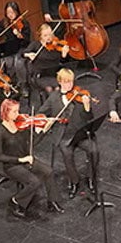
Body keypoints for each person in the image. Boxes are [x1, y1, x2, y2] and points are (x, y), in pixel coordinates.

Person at [0, 99, 63, 219]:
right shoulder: (1, 133)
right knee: (34, 182)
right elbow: (0, 156)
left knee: (48, 171)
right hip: (12, 165)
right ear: (5, 112)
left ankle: (52, 201)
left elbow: (31, 144)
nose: (18, 114)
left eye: (18, 111)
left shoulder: (20, 126)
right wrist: (21, 160)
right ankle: (16, 201)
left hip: (26, 159)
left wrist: (43, 131)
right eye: (14, 112)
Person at [37, 68, 96, 199]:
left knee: (93, 150)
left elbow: (89, 117)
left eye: (70, 82)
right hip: (63, 134)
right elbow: (41, 112)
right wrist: (47, 119)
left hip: (79, 131)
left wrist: (87, 107)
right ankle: (75, 182)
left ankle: (91, 179)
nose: (69, 85)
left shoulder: (80, 94)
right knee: (67, 154)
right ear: (60, 82)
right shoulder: (53, 97)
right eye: (65, 82)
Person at [0, 2, 32, 89]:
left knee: (17, 62)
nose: (10, 15)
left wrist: (19, 35)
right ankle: (13, 83)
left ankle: (23, 85)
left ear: (17, 11)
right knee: (8, 62)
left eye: (12, 12)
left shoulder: (24, 22)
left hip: (22, 47)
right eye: (8, 13)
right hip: (10, 47)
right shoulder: (5, 22)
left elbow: (27, 39)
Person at [22, 23, 70, 96]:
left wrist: (64, 54)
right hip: (41, 75)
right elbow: (23, 53)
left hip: (55, 74)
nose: (48, 37)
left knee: (58, 88)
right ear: (40, 36)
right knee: (50, 89)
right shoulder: (35, 44)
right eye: (45, 35)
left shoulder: (56, 45)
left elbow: (62, 61)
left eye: (50, 34)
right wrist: (29, 55)